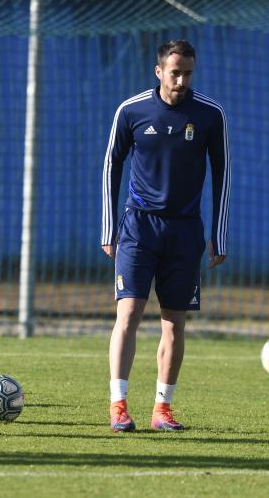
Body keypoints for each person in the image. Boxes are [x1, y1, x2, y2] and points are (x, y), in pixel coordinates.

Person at [100, 40, 230, 432]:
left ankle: (162, 409)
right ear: (159, 71)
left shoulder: (209, 114)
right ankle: (118, 405)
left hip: (185, 230)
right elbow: (111, 166)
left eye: (188, 72)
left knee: (175, 322)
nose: (182, 80)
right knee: (129, 314)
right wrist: (110, 228)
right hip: (138, 226)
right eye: (175, 72)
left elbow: (224, 174)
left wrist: (218, 235)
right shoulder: (132, 110)